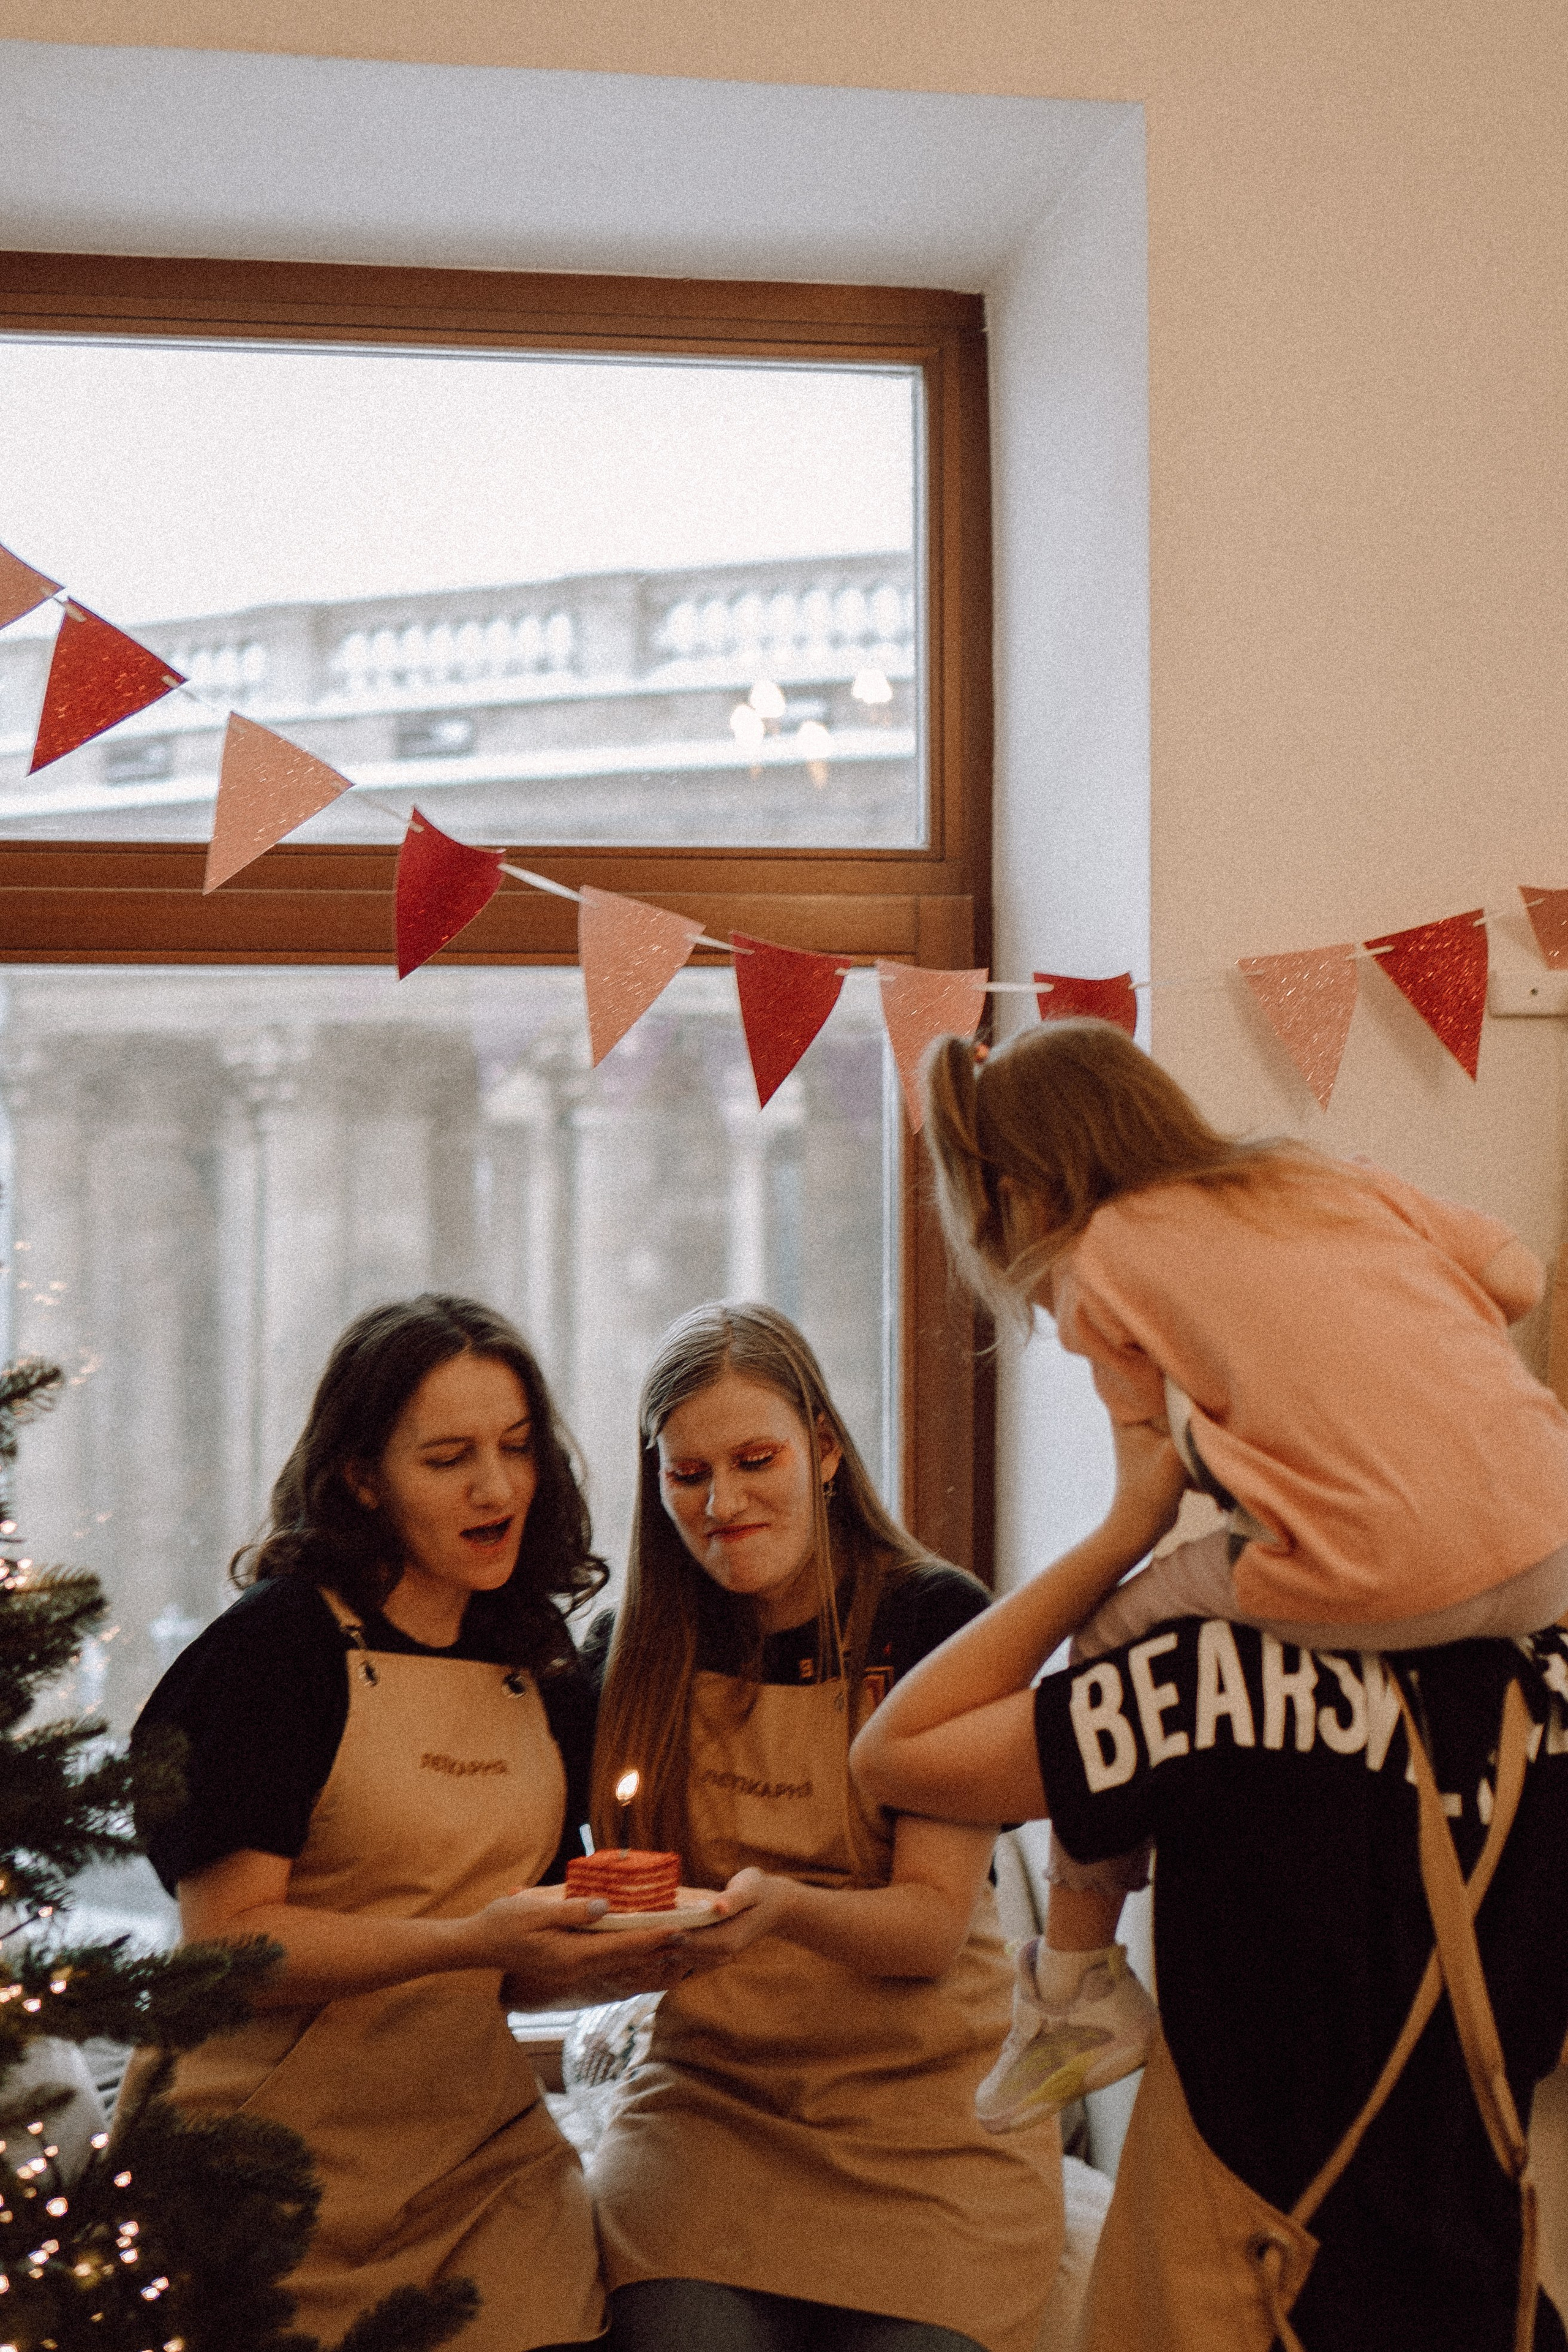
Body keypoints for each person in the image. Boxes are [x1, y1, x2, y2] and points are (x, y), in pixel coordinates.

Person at [920, 1018, 1568, 2132]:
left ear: (1022, 1188)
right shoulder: (1324, 1175)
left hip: (1380, 1574)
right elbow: (1512, 1275)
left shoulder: (1101, 1260)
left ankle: (1077, 1985)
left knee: (1112, 1642)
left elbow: (1145, 1508)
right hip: (1551, 1549)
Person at [850, 1421, 1568, 2352]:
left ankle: (1076, 1985)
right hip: (1479, 2292)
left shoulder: (1204, 1681)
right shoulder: (1548, 1686)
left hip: (1243, 2291)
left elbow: (898, 1756)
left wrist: (1122, 1533)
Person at [126, 1294, 696, 2352]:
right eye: (448, 1458)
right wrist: (472, 1941)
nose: (496, 1487)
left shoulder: (542, 1666)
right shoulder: (276, 1652)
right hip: (258, 2160)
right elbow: (230, 1943)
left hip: (476, 2168)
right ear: (361, 1477)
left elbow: (510, 1968)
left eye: (517, 1449)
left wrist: (604, 1966)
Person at [585, 1301, 1065, 2352]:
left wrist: (784, 1911)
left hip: (933, 2123)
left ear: (828, 1448)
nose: (723, 1502)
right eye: (687, 1473)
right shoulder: (627, 1653)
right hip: (714, 2115)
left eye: (757, 1458)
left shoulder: (932, 1619)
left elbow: (934, 1928)